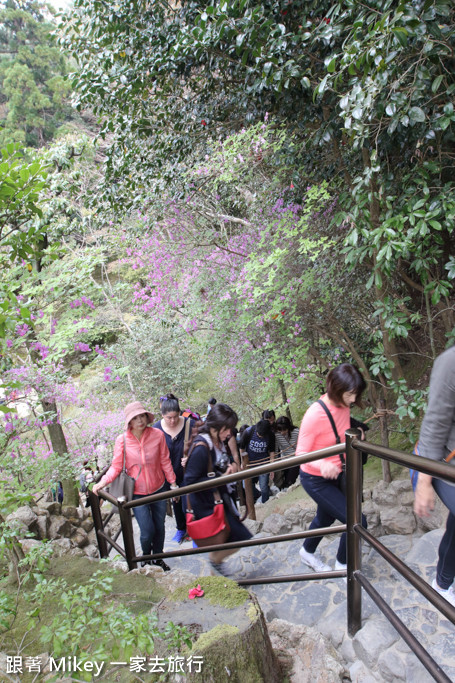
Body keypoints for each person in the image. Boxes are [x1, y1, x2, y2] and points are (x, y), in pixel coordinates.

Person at [296, 363, 367, 573]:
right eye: (350, 394)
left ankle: (306, 553)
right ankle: (343, 564)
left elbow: (342, 429)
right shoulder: (314, 415)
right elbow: (300, 454)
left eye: (356, 394)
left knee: (325, 518)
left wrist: (359, 432)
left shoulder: (344, 405)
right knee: (356, 519)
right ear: (336, 389)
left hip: (339, 473)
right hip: (315, 478)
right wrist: (322, 463)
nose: (354, 400)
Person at [92, 401, 178, 571]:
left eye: (142, 416)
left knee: (159, 527)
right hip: (137, 493)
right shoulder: (122, 440)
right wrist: (101, 483)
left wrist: (173, 484)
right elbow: (116, 466)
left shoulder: (157, 435)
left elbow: (164, 460)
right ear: (129, 422)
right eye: (135, 418)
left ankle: (158, 558)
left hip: (159, 488)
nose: (140, 420)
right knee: (147, 530)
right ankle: (146, 558)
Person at [183, 403, 252, 577]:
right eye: (227, 429)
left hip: (219, 497)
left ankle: (216, 568)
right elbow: (190, 482)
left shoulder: (217, 442)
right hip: (207, 503)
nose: (230, 433)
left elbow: (215, 466)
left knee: (235, 536)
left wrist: (227, 469)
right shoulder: (201, 447)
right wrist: (220, 478)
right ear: (216, 427)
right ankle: (215, 563)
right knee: (237, 537)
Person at [414, 345, 455, 606]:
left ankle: (443, 580)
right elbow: (434, 425)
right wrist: (424, 482)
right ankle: (442, 582)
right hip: (441, 461)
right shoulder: (450, 363)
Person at [153, 393, 196, 543]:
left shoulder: (191, 424)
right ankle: (181, 529)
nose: (172, 421)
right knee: (176, 502)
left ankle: (195, 530)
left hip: (189, 472)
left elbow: (201, 444)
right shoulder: (156, 429)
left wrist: (191, 456)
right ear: (162, 415)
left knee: (189, 502)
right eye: (168, 418)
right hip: (169, 474)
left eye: (175, 417)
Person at [239, 419, 276, 503]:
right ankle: (257, 495)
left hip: (263, 463)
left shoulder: (270, 435)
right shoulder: (248, 432)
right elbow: (241, 448)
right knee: (246, 485)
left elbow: (272, 451)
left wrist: (272, 467)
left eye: (262, 436)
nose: (260, 436)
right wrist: (242, 462)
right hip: (250, 463)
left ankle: (266, 503)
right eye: (258, 435)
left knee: (263, 486)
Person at [274, 416, 300, 489]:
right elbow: (276, 450)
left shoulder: (296, 431)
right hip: (286, 460)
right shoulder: (277, 435)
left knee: (290, 480)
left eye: (284, 430)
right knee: (284, 478)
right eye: (280, 430)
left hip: (297, 458)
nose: (282, 432)